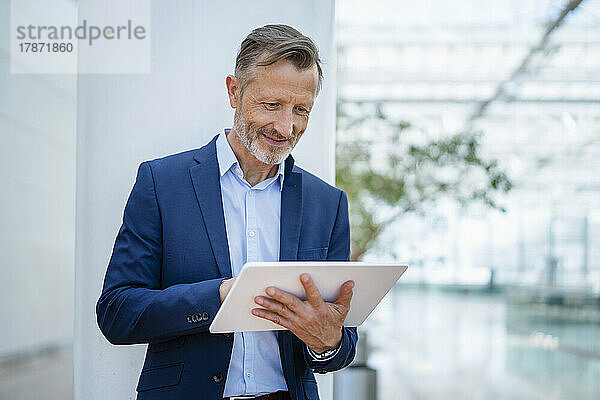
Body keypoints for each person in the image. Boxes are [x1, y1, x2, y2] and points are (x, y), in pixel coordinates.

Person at [96, 24, 358, 400]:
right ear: (234, 92)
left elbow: (341, 345)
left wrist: (328, 341)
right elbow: (118, 313)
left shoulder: (328, 204)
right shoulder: (161, 183)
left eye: (301, 110)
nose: (286, 127)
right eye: (272, 105)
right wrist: (219, 296)